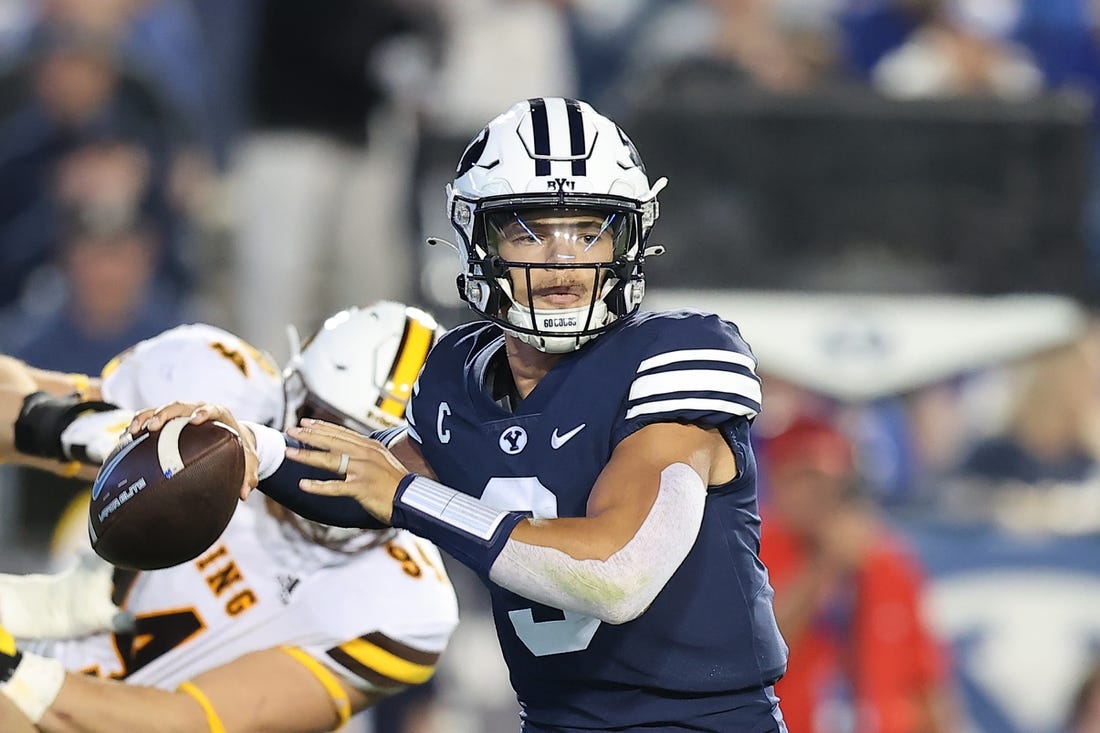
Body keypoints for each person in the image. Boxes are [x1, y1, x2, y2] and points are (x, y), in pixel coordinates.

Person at [144, 97, 790, 731]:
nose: (561, 256)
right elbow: (363, 476)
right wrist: (242, 442)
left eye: (590, 227)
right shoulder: (454, 373)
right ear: (475, 238)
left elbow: (616, 574)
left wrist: (406, 495)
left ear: (630, 237)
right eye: (527, 228)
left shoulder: (678, 351)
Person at [0, 302, 459, 733]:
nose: (346, 468)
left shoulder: (408, 605)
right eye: (330, 431)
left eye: (390, 453)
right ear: (291, 397)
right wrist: (65, 426)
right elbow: (14, 398)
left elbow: (188, 723)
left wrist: (16, 673)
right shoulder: (221, 388)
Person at [759, 416, 959, 733]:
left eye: (830, 480)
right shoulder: (753, 552)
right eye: (804, 477)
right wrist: (824, 565)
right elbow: (764, 651)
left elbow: (926, 684)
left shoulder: (888, 562)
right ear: (776, 480)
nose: (818, 493)